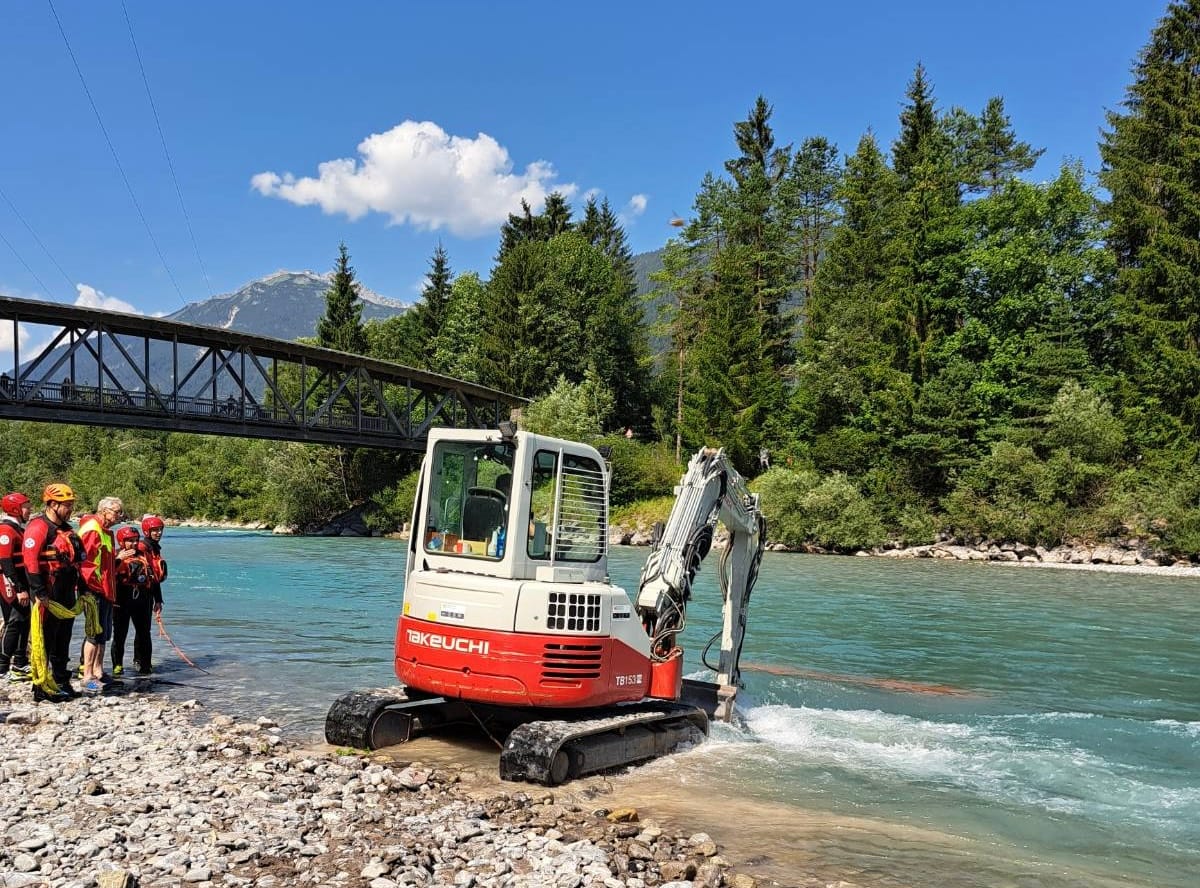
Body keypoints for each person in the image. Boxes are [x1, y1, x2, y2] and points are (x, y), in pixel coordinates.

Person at [22, 484, 86, 701]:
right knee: (45, 639)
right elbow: (30, 562)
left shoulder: (66, 529)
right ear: (52, 504)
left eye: (71, 505)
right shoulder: (39, 527)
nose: (70, 509)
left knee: (63, 638)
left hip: (66, 591)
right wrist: (40, 593)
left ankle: (61, 680)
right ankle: (40, 687)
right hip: (48, 591)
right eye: (66, 505)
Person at [77, 496, 123, 694]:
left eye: (120, 512)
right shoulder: (92, 529)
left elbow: (107, 564)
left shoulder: (105, 531)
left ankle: (99, 672)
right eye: (116, 512)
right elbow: (86, 564)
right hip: (93, 590)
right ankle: (87, 676)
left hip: (105, 591)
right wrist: (94, 588)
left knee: (104, 633)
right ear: (104, 511)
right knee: (94, 633)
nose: (119, 516)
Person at [111, 526, 155, 676]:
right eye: (130, 541)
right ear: (122, 542)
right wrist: (118, 560)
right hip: (121, 600)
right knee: (119, 635)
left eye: (136, 540)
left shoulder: (144, 555)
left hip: (142, 599)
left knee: (144, 633)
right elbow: (106, 574)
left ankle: (146, 665)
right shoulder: (115, 556)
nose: (134, 544)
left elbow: (153, 578)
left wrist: (158, 600)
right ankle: (117, 666)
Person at [0, 492, 32, 681]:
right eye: (26, 507)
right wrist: (19, 588)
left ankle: (20, 662)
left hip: (20, 579)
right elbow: (5, 561)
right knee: (15, 620)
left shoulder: (18, 528)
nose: (30, 510)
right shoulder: (6, 530)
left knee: (24, 619)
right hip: (8, 580)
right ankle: (3, 665)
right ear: (15, 509)